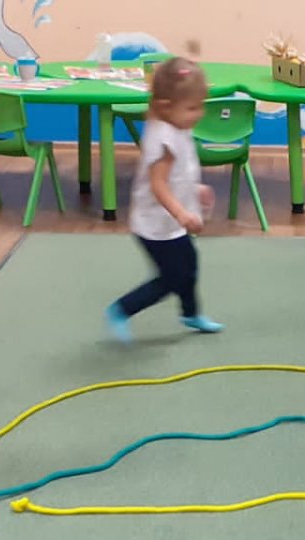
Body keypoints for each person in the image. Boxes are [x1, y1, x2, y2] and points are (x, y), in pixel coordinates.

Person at [105, 57, 224, 343]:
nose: (199, 114)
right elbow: (158, 185)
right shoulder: (163, 138)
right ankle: (121, 309)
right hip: (155, 225)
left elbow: (178, 174)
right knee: (171, 278)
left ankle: (190, 314)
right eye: (192, 108)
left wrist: (195, 189)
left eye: (200, 106)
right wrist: (182, 214)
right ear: (166, 106)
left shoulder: (178, 127)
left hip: (172, 222)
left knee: (189, 265)